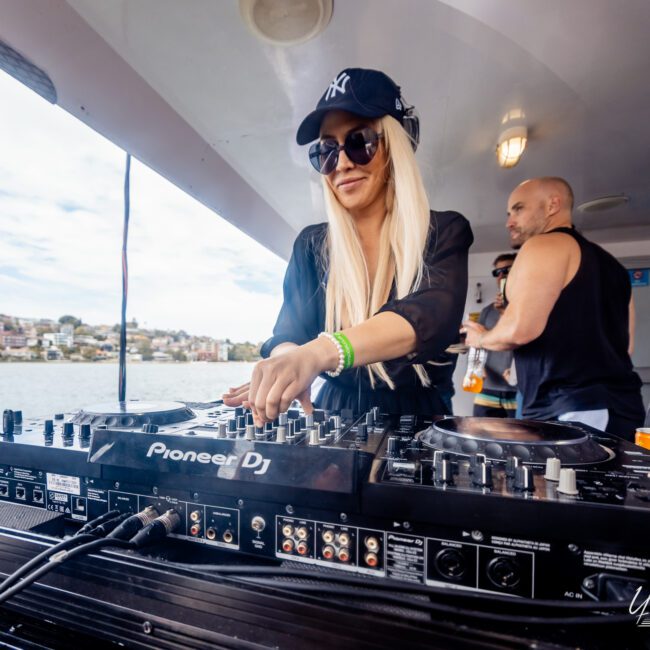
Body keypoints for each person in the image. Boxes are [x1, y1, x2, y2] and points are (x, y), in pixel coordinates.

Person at [223, 68, 473, 423]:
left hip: (419, 417)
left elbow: (428, 317)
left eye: (360, 142)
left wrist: (319, 354)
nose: (341, 163)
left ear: (395, 146)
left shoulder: (444, 231)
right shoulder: (311, 245)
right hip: (331, 412)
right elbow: (290, 329)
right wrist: (288, 361)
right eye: (326, 150)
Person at [463, 177, 644, 440]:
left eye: (519, 209)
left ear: (552, 205)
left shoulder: (544, 245)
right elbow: (625, 347)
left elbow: (518, 331)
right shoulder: (614, 267)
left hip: (574, 408)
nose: (509, 221)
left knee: (560, 482)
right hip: (620, 408)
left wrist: (480, 338)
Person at [472, 253, 517, 418]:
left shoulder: (529, 309)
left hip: (518, 389)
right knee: (480, 436)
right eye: (497, 272)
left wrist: (506, 312)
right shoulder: (487, 311)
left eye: (507, 270)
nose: (501, 276)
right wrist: (477, 367)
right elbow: (476, 343)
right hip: (488, 388)